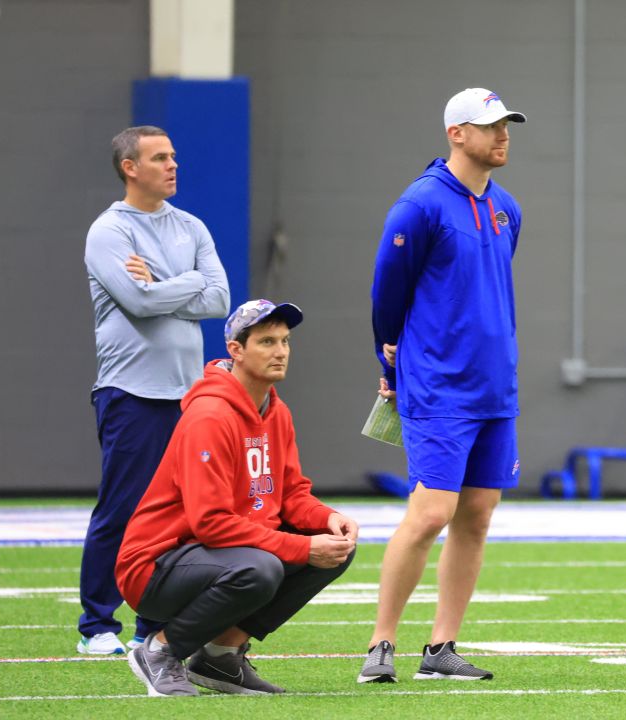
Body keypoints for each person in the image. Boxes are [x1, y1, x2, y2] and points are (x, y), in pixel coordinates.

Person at [360, 88, 527, 683]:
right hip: (438, 384)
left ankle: (440, 649)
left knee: (477, 515)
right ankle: (381, 645)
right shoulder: (420, 204)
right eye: (490, 126)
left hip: (494, 389)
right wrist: (393, 366)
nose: (503, 135)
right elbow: (388, 295)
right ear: (456, 133)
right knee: (432, 511)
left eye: (507, 125)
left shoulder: (507, 206)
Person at [115, 299, 359, 696]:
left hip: (217, 555)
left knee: (335, 550)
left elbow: (291, 493)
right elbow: (209, 522)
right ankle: (159, 651)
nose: (280, 352)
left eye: (285, 341)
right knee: (261, 568)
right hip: (155, 565)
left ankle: (220, 658)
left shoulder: (276, 412)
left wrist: (326, 519)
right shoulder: (210, 415)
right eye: (266, 341)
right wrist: (300, 546)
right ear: (236, 350)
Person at [78, 125, 231, 655]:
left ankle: (151, 627)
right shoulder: (109, 231)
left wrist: (162, 280)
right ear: (130, 167)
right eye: (160, 158)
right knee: (122, 510)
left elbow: (219, 299)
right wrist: (186, 281)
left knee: (181, 517)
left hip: (188, 395)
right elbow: (139, 305)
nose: (173, 165)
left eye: (173, 156)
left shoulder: (191, 225)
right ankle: (96, 626)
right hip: (131, 391)